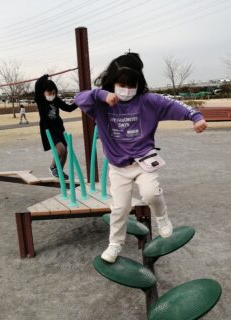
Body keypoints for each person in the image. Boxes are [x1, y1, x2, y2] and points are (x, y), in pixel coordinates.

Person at [74, 52, 207, 263]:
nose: (126, 90)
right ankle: (115, 244)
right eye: (121, 84)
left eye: (131, 84)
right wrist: (101, 95)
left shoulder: (148, 101)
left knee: (151, 193)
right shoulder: (101, 104)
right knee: (120, 208)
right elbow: (78, 98)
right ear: (112, 82)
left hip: (144, 160)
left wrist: (196, 117)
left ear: (138, 83)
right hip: (118, 166)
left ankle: (162, 217)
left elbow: (176, 105)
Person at [35, 74, 78, 178]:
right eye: (49, 93)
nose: (52, 95)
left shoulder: (56, 100)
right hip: (48, 129)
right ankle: (52, 167)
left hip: (58, 128)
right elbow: (37, 86)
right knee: (61, 149)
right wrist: (44, 77)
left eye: (54, 93)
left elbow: (68, 108)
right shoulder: (41, 101)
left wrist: (78, 102)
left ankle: (59, 171)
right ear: (43, 93)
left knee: (65, 152)